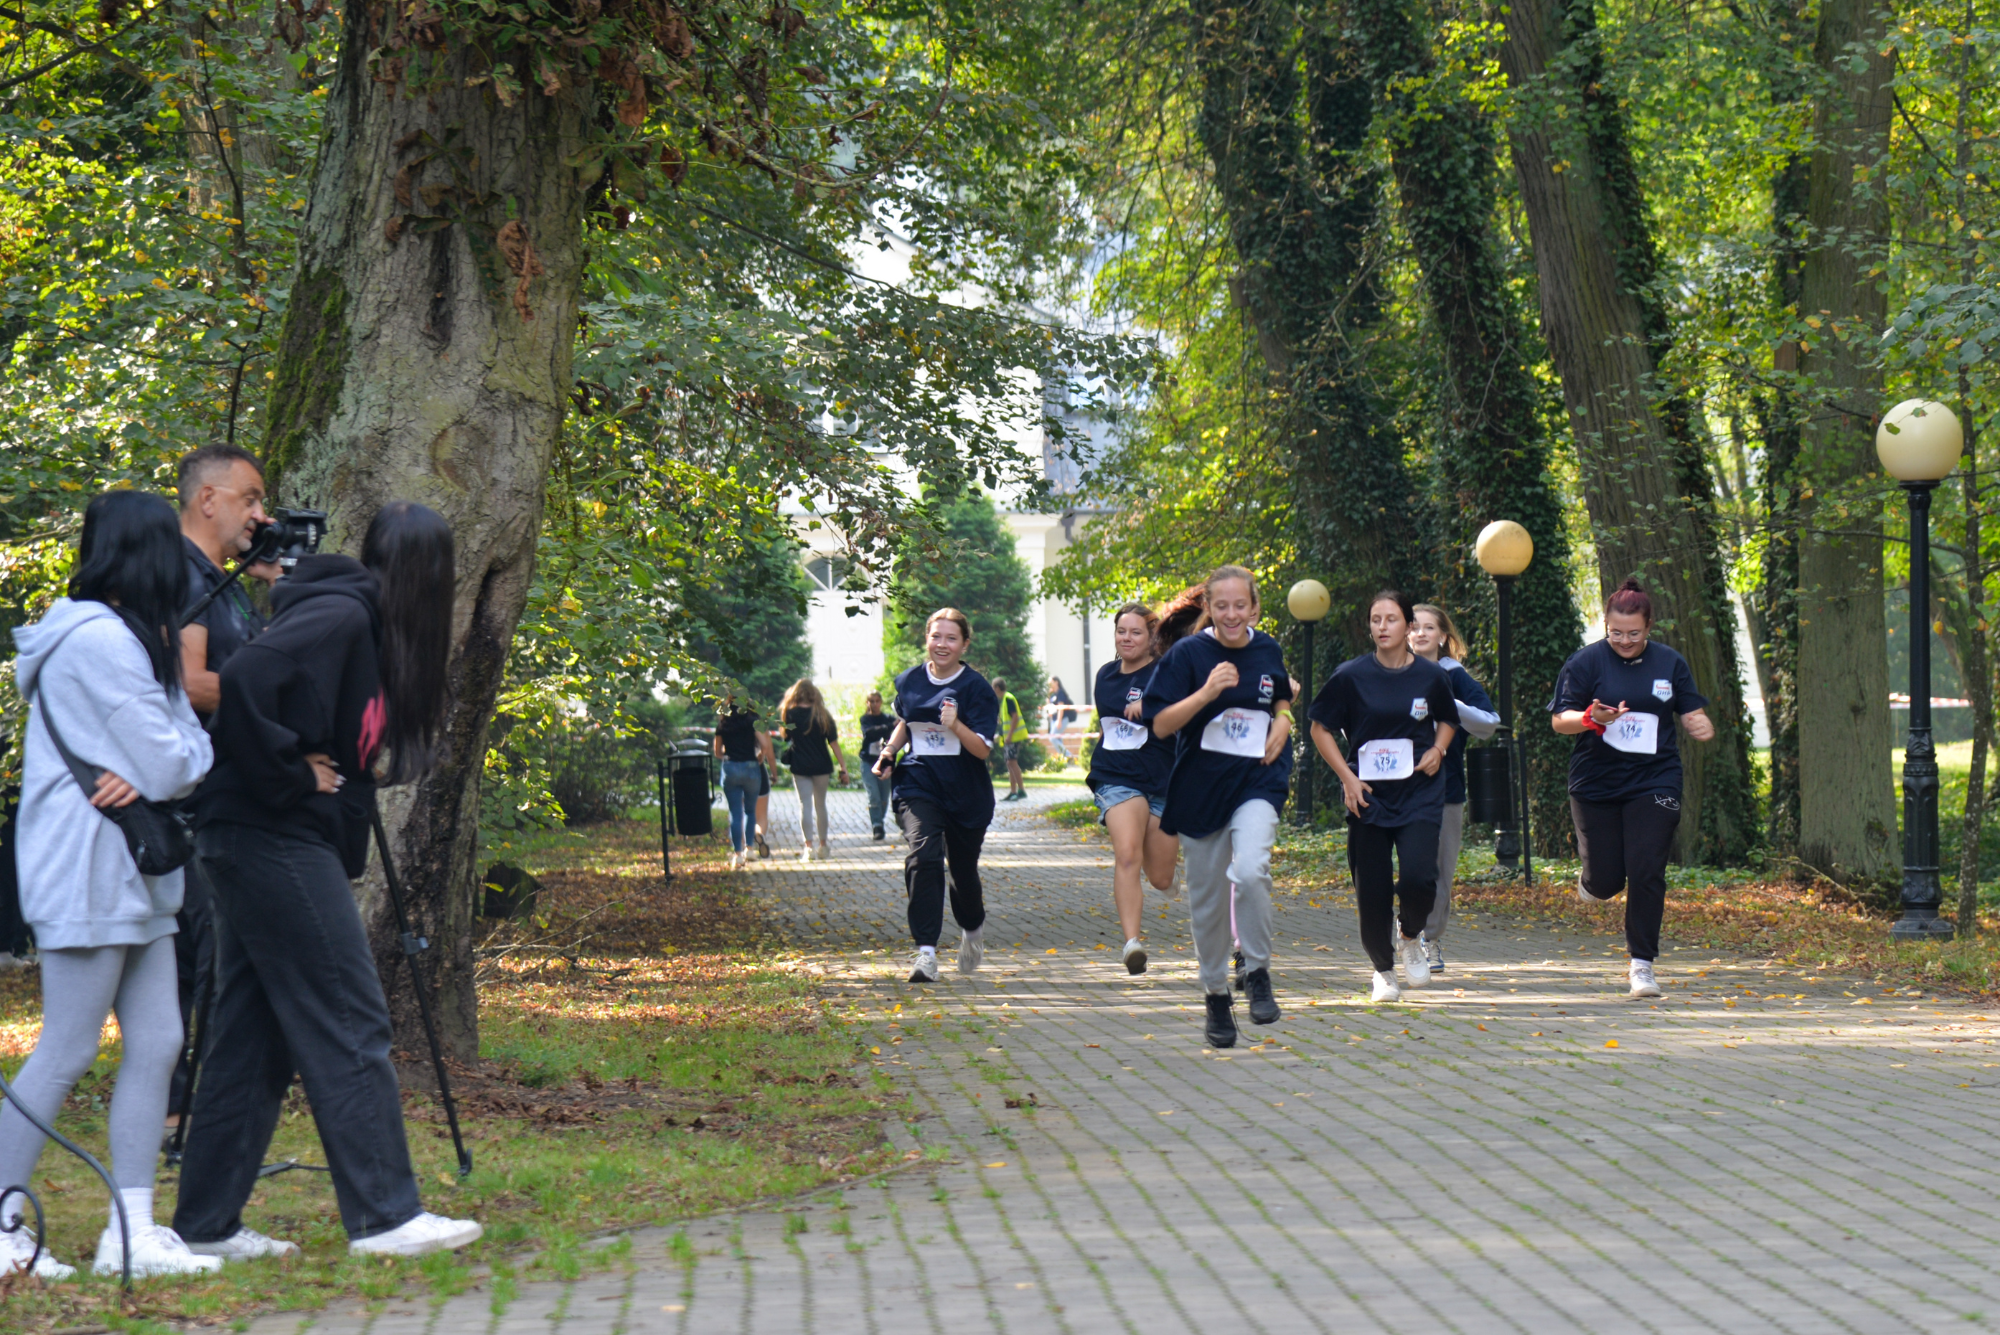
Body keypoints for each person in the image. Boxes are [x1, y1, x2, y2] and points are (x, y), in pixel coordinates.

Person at [173, 502, 482, 1260]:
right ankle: (385, 1216)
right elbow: (243, 678)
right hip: (267, 833)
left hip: (265, 837)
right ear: (433, 578)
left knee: (255, 1037)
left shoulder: (365, 628)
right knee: (349, 1015)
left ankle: (205, 1225)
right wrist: (290, 773)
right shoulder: (345, 617)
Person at [0, 491, 217, 1278]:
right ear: (151, 552)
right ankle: (2, 1222)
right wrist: (169, 764)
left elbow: (180, 750)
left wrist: (170, 761)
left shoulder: (135, 637)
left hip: (134, 874)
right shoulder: (96, 641)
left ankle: (133, 1228)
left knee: (159, 1038)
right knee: (65, 1047)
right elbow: (172, 761)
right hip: (87, 868)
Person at [170, 444, 281, 1130]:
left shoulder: (225, 580)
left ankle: (198, 1107)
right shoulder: (182, 577)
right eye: (250, 499)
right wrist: (273, 707)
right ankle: (185, 1113)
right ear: (207, 499)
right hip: (190, 807)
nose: (261, 514)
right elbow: (184, 682)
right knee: (207, 957)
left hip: (228, 797)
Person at [1143, 566, 1293, 1048]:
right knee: (1206, 905)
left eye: (1240, 605)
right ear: (1210, 607)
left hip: (1257, 781)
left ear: (1254, 608)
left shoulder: (1267, 648)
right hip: (1201, 789)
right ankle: (1214, 994)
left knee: (1251, 870)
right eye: (1222, 605)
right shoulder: (1189, 654)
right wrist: (1207, 691)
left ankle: (1257, 970)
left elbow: (1281, 696)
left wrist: (1285, 721)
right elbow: (1161, 725)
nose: (1232, 614)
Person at [1549, 577, 1715, 999]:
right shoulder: (1586, 663)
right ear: (1605, 625)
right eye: (1616, 632)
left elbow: (1691, 708)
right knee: (1607, 882)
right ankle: (1592, 882)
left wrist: (1698, 723)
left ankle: (1641, 965)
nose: (1624, 640)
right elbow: (1559, 721)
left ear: (1649, 626)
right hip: (1596, 782)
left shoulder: (1669, 663)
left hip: (1654, 778)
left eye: (1633, 633)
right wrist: (1592, 719)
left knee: (1646, 869)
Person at [1308, 590, 1461, 1004]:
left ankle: (1410, 934)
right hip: (1369, 795)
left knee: (1418, 877)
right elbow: (1320, 728)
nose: (1382, 627)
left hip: (1420, 793)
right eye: (1375, 619)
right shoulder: (1350, 675)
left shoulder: (1431, 677)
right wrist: (1347, 778)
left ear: (1408, 626)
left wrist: (1438, 749)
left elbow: (1448, 719)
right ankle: (1383, 971)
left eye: (1391, 619)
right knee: (1371, 888)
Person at [872, 609, 999, 983]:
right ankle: (925, 952)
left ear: (964, 644)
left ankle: (972, 929)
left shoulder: (976, 689)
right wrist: (889, 752)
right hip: (918, 784)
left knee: (962, 873)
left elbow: (982, 751)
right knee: (924, 853)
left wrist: (956, 724)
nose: (942, 644)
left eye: (951, 638)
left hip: (965, 792)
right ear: (926, 639)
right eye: (936, 636)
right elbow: (905, 723)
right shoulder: (910, 680)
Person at [1407, 603, 1499, 975]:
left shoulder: (1454, 676)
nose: (1421, 633)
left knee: (1439, 873)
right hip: (1396, 788)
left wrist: (1447, 702)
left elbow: (1489, 723)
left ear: (1444, 637)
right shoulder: (1388, 670)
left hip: (1446, 789)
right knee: (1410, 869)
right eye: (1415, 627)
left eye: (1430, 628)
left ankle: (1429, 938)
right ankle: (1404, 933)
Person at [1087, 603, 1179, 975]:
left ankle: (1168, 879)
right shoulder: (1105, 675)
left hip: (1162, 779)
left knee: (1160, 878)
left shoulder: (1166, 673)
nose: (1127, 638)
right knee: (1127, 853)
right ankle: (1131, 944)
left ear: (1151, 637)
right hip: (1116, 776)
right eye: (1121, 631)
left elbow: (1179, 716)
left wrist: (1152, 704)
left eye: (1135, 632)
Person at [780, 678, 846, 861]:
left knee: (805, 806)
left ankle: (808, 847)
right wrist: (843, 766)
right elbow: (833, 743)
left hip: (800, 765)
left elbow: (786, 737)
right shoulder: (822, 714)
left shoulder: (790, 714)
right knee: (820, 805)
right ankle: (823, 846)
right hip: (822, 765)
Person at [714, 698, 776, 869]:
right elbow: (764, 744)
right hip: (751, 768)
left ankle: (738, 854)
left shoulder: (723, 725)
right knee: (750, 811)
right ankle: (750, 849)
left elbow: (717, 752)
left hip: (731, 768)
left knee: (735, 813)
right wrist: (760, 755)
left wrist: (728, 752)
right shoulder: (752, 722)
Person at [858, 692, 896, 840]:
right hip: (868, 761)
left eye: (877, 701)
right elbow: (870, 733)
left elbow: (895, 735)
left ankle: (879, 820)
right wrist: (888, 727)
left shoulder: (888, 718)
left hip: (884, 762)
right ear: (867, 703)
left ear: (881, 702)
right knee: (873, 795)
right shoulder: (865, 719)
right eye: (871, 701)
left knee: (884, 797)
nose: (874, 704)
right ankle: (877, 825)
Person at [991, 676, 1032, 801]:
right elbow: (1006, 721)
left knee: (1011, 762)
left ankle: (1021, 790)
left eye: (993, 688)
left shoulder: (1008, 698)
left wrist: (1008, 735)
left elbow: (1014, 717)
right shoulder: (1005, 700)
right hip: (1010, 737)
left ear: (997, 688)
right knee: (1010, 763)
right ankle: (1013, 791)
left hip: (1013, 737)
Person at [1045, 675, 1076, 761]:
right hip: (1054, 719)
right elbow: (1048, 705)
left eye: (1050, 682)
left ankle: (1068, 755)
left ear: (1056, 682)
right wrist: (1048, 694)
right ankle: (1063, 760)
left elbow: (1061, 707)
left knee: (1052, 737)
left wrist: (1059, 721)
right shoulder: (1052, 694)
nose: (1049, 684)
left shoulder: (1060, 693)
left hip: (1061, 719)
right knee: (1058, 739)